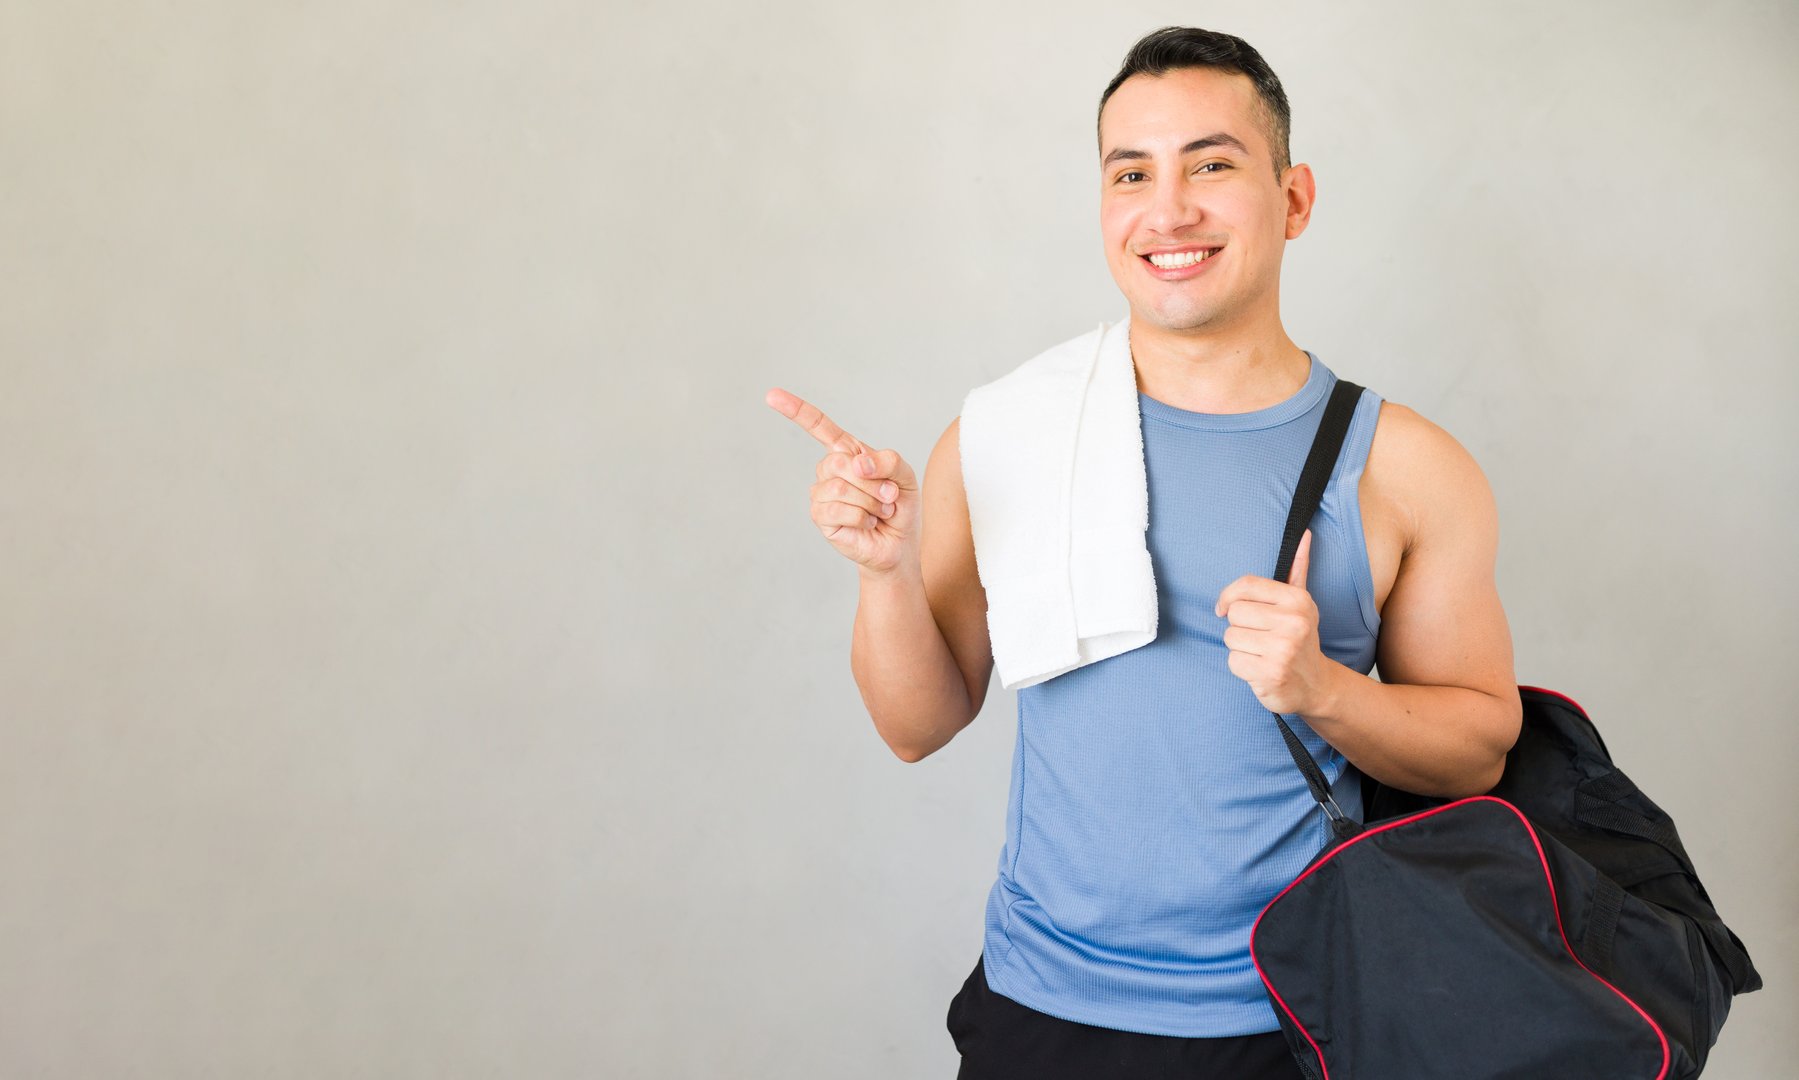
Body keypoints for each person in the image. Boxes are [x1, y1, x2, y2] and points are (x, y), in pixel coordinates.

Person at [766, 25, 1522, 1080]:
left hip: (1296, 1016)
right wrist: (883, 574)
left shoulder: (1404, 467)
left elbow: (1478, 747)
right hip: (1040, 1007)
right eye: (1131, 173)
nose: (1167, 210)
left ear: (1293, 198)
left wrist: (1321, 691)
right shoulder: (1002, 433)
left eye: (1211, 164)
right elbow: (914, 726)